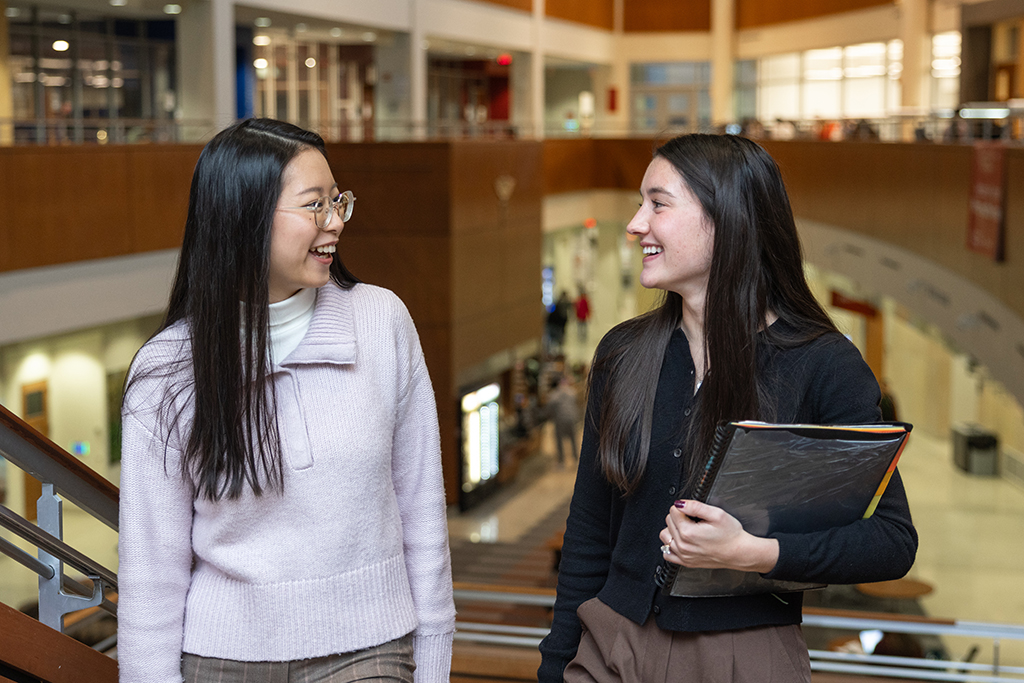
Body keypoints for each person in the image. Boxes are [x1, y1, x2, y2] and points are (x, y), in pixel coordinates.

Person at [537, 134, 917, 683]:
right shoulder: (624, 353)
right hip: (611, 645)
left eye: (658, 204)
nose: (636, 224)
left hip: (743, 657)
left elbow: (890, 541)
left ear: (727, 220)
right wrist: (555, 669)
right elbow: (590, 533)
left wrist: (752, 552)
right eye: (640, 204)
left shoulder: (821, 364)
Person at [118, 118, 455, 683]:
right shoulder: (167, 370)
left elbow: (422, 509)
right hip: (221, 659)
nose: (335, 222)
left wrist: (435, 658)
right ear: (245, 218)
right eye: (315, 205)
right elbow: (152, 569)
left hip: (368, 648)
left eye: (337, 201)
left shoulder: (381, 321)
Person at [546, 375, 581, 467]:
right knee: (573, 439)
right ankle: (576, 459)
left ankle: (561, 461)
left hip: (560, 419)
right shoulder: (571, 392)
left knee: (559, 440)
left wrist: (550, 417)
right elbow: (575, 402)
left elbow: (550, 407)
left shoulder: (554, 395)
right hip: (572, 418)